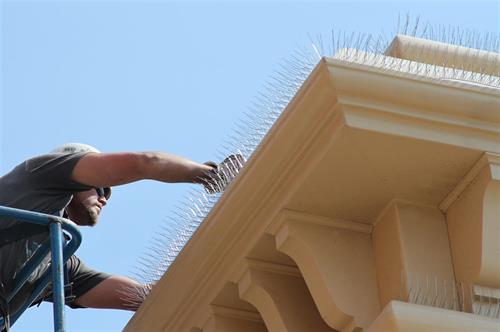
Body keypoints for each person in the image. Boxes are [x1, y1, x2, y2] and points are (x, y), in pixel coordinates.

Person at [0, 143, 242, 327]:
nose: (104, 198)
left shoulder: (57, 263)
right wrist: (213, 176)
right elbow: (144, 162)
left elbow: (146, 298)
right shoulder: (39, 173)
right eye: (101, 187)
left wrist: (225, 265)